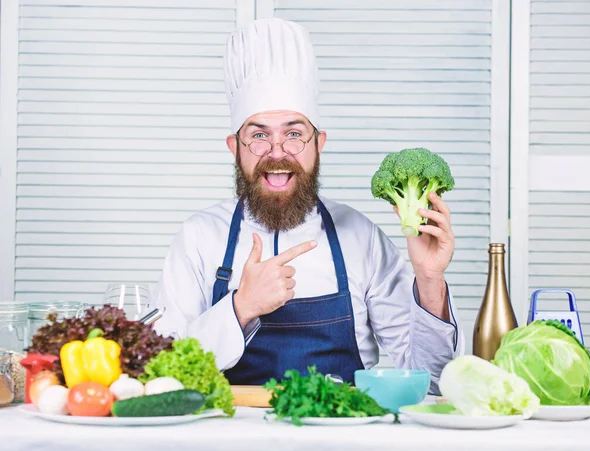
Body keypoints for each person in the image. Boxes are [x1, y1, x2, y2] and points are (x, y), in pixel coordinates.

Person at [151, 17, 464, 393]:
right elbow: (162, 372)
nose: (277, 152)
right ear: (235, 148)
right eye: (259, 135)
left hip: (343, 435)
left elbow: (432, 383)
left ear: (319, 144)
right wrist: (241, 307)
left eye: (295, 133)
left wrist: (430, 282)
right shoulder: (199, 236)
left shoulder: (360, 236)